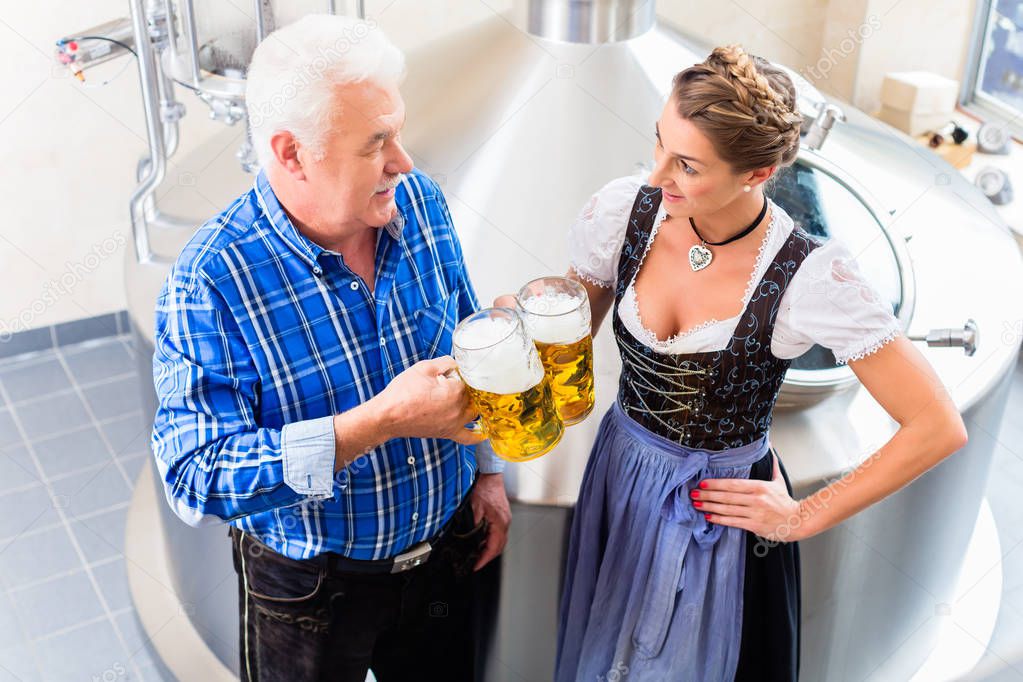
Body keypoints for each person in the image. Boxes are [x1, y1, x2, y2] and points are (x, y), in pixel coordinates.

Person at [553, 45, 968, 681]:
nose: (656, 175)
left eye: (686, 166)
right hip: (619, 475)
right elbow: (573, 328)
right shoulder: (626, 212)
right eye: (659, 143)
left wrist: (803, 515)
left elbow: (937, 424)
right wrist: (530, 321)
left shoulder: (809, 276)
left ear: (757, 173)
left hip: (716, 514)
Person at [150, 15, 510, 682]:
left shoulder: (419, 201)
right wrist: (377, 424)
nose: (402, 159)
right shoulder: (213, 281)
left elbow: (464, 325)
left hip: (445, 556)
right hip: (313, 591)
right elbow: (193, 476)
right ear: (291, 153)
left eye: (397, 131)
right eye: (376, 144)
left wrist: (486, 469)